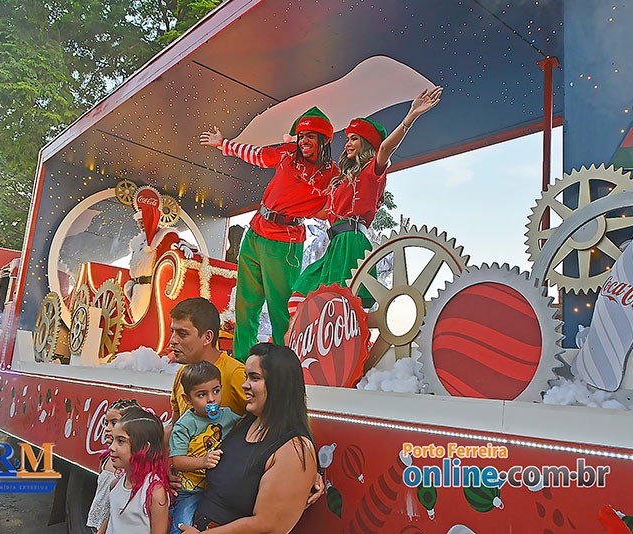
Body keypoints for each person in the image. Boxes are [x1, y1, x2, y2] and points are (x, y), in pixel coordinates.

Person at [200, 108, 340, 361]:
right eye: (302, 135)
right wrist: (224, 144)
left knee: (281, 310)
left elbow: (333, 209)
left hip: (285, 243)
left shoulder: (333, 176)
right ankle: (242, 362)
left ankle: (280, 365)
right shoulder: (287, 154)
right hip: (255, 232)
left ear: (325, 141)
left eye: (312, 136)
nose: (305, 141)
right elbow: (258, 155)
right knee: (245, 305)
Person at [289, 87, 444, 314]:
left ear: (366, 143)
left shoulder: (372, 171)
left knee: (342, 306)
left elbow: (386, 147)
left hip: (352, 241)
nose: (347, 143)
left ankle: (350, 345)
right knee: (299, 297)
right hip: (335, 246)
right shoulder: (341, 180)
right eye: (347, 139)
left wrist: (411, 116)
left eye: (354, 139)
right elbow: (323, 210)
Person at [179, 343, 319, 532]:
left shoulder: (294, 448)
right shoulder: (242, 422)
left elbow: (266, 526)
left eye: (254, 378)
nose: (245, 385)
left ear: (279, 385)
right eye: (246, 377)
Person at [169, 361, 240, 533]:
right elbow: (177, 461)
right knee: (181, 526)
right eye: (202, 395)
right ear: (187, 399)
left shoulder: (229, 416)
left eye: (216, 391)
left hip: (219, 490)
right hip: (191, 490)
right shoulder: (184, 425)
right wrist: (203, 461)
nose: (211, 399)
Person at [169, 298, 246, 423]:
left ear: (207, 337)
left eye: (182, 334)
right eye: (172, 332)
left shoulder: (235, 373)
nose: (173, 340)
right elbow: (174, 427)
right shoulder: (183, 373)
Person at [99, 408, 170, 534]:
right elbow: (113, 519)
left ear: (144, 448)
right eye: (113, 439)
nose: (111, 447)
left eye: (120, 441)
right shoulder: (115, 484)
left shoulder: (154, 493)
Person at [125, 208, 196, 322]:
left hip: (153, 288)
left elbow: (175, 245)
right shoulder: (138, 243)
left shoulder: (165, 236)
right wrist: (131, 285)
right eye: (139, 223)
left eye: (143, 222)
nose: (141, 226)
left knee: (151, 322)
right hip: (137, 289)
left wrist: (183, 246)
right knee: (138, 320)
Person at [87, 399, 143, 533]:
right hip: (98, 524)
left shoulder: (128, 467)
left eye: (114, 423)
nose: (107, 428)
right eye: (106, 423)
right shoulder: (106, 458)